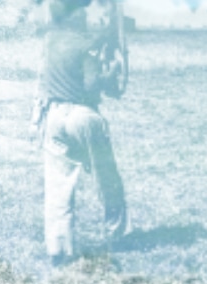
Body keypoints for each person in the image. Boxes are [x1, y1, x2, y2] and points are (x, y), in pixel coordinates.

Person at [35, 0, 128, 265]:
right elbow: (92, 86)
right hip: (83, 116)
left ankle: (59, 250)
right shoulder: (86, 46)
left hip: (53, 118)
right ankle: (116, 233)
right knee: (107, 178)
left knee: (58, 187)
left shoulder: (49, 41)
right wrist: (109, 73)